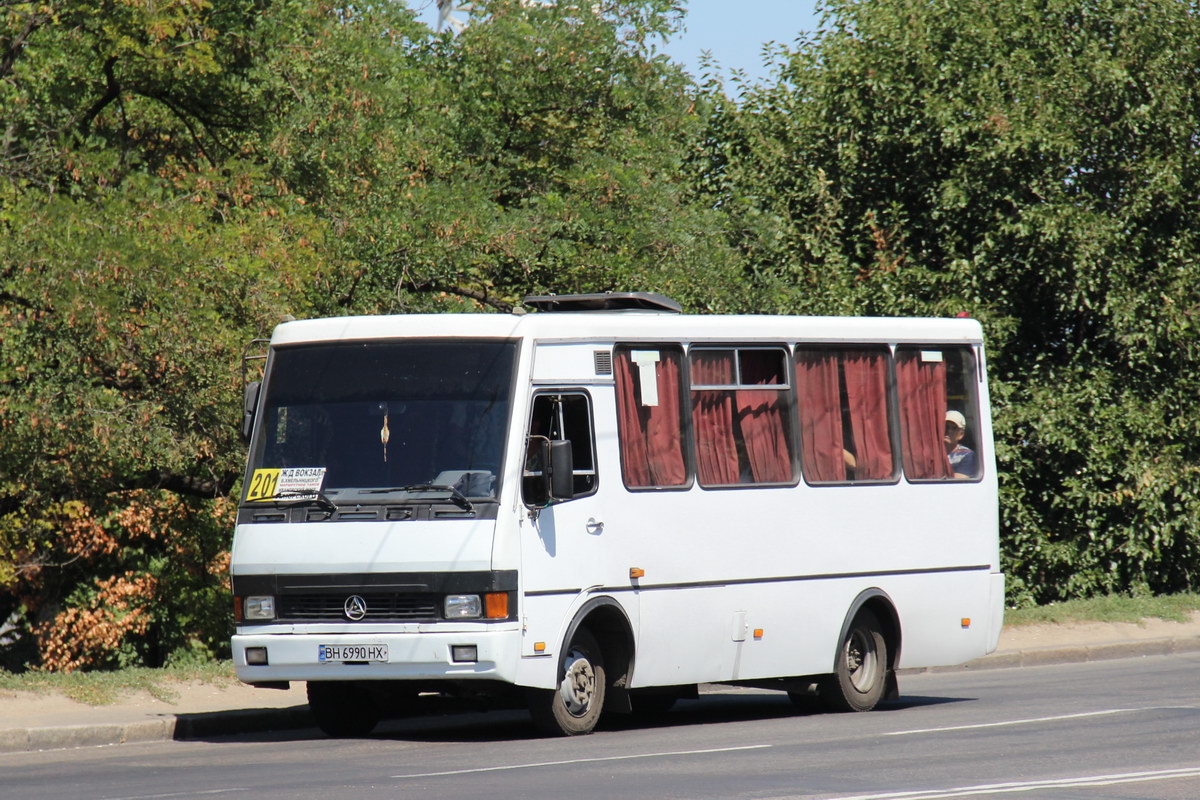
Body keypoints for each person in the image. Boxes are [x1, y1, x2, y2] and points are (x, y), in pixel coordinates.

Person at [945, 410, 977, 479]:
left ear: (961, 434)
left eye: (954, 428)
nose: (949, 431)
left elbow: (958, 481)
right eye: (946, 427)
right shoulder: (932, 453)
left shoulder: (968, 455)